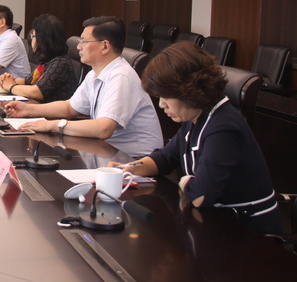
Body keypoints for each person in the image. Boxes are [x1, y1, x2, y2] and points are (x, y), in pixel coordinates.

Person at [109, 42, 281, 233]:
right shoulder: (196, 116)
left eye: (166, 96)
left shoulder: (223, 127)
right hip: (214, 223)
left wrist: (185, 182)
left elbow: (201, 196)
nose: (162, 105)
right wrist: (129, 169)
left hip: (247, 232)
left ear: (188, 90)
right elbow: (165, 158)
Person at [5, 16, 162, 158]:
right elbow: (69, 108)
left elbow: (103, 128)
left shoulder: (121, 77)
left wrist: (51, 125)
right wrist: (28, 109)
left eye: (84, 42)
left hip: (134, 160)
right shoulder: (95, 73)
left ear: (105, 46)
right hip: (106, 152)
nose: (79, 47)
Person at [0, 14, 76, 103]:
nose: (31, 39)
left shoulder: (60, 63)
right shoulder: (48, 60)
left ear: (42, 39)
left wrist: (10, 86)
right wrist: (6, 80)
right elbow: (27, 81)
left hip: (50, 111)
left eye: (33, 36)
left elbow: (37, 92)